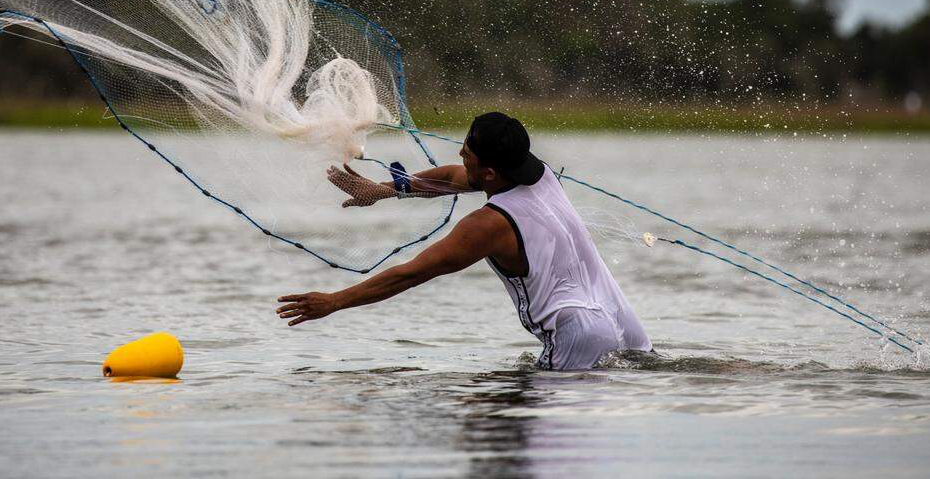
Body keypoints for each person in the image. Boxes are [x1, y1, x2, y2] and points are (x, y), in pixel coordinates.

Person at [276, 112, 652, 370]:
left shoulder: (489, 225)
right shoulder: (537, 174)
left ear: (489, 171)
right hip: (624, 322)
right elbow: (455, 177)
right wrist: (383, 190)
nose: (460, 154)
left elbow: (410, 274)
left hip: (576, 332)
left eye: (467, 152)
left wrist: (334, 302)